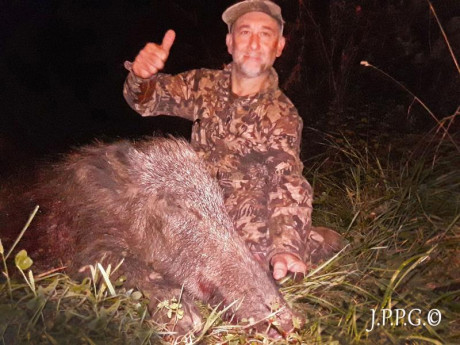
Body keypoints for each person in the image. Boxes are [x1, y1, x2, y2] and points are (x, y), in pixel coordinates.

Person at [123, 0, 344, 281]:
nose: (253, 43)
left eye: (265, 34)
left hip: (248, 211)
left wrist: (285, 246)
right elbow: (146, 101)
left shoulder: (281, 113)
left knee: (254, 258)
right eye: (244, 32)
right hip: (198, 201)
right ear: (229, 42)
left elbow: (286, 180)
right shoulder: (203, 85)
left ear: (279, 46)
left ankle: (313, 243)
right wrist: (142, 77)